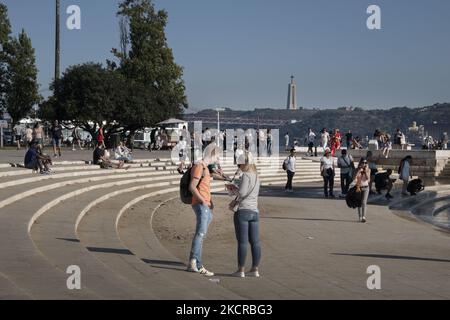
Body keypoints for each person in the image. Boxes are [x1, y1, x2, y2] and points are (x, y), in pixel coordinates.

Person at [228, 152, 261, 278]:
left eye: (239, 164)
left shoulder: (246, 175)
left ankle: (240, 270)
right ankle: (255, 269)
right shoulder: (257, 176)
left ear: (244, 163)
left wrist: (232, 189)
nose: (238, 166)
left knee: (242, 242)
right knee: (255, 242)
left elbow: (241, 192)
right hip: (254, 211)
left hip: (243, 211)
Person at [187, 146, 216, 277]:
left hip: (205, 205)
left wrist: (210, 201)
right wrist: (203, 201)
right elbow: (192, 187)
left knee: (201, 234)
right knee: (200, 233)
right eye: (217, 156)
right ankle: (194, 263)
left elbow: (204, 187)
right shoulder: (199, 167)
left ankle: (196, 263)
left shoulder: (205, 168)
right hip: (200, 204)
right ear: (212, 155)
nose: (218, 159)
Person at [355, 158, 371, 223]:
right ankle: (360, 216)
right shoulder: (358, 169)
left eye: (365, 163)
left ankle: (364, 217)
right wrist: (359, 171)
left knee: (364, 202)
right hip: (359, 187)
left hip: (366, 187)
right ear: (360, 163)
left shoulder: (368, 170)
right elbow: (354, 177)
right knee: (359, 203)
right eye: (363, 163)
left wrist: (365, 171)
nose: (364, 164)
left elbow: (368, 179)